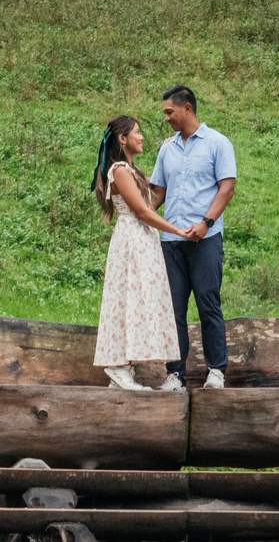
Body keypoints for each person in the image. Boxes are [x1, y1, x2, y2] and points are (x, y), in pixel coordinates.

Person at [147, 85, 236, 391]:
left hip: (205, 239)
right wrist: (137, 212)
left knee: (208, 301)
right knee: (173, 310)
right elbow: (158, 192)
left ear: (187, 108)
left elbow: (226, 188)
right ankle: (175, 374)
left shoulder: (218, 143)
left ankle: (216, 371)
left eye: (169, 112)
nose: (167, 118)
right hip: (171, 241)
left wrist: (206, 222)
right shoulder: (166, 149)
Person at [91, 115, 190, 390]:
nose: (141, 136)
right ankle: (118, 365)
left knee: (136, 299)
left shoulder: (133, 172)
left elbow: (154, 199)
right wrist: (177, 230)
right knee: (127, 297)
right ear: (123, 139)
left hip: (142, 239)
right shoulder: (120, 170)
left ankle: (123, 367)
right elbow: (142, 211)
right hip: (132, 239)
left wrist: (167, 154)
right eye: (137, 132)